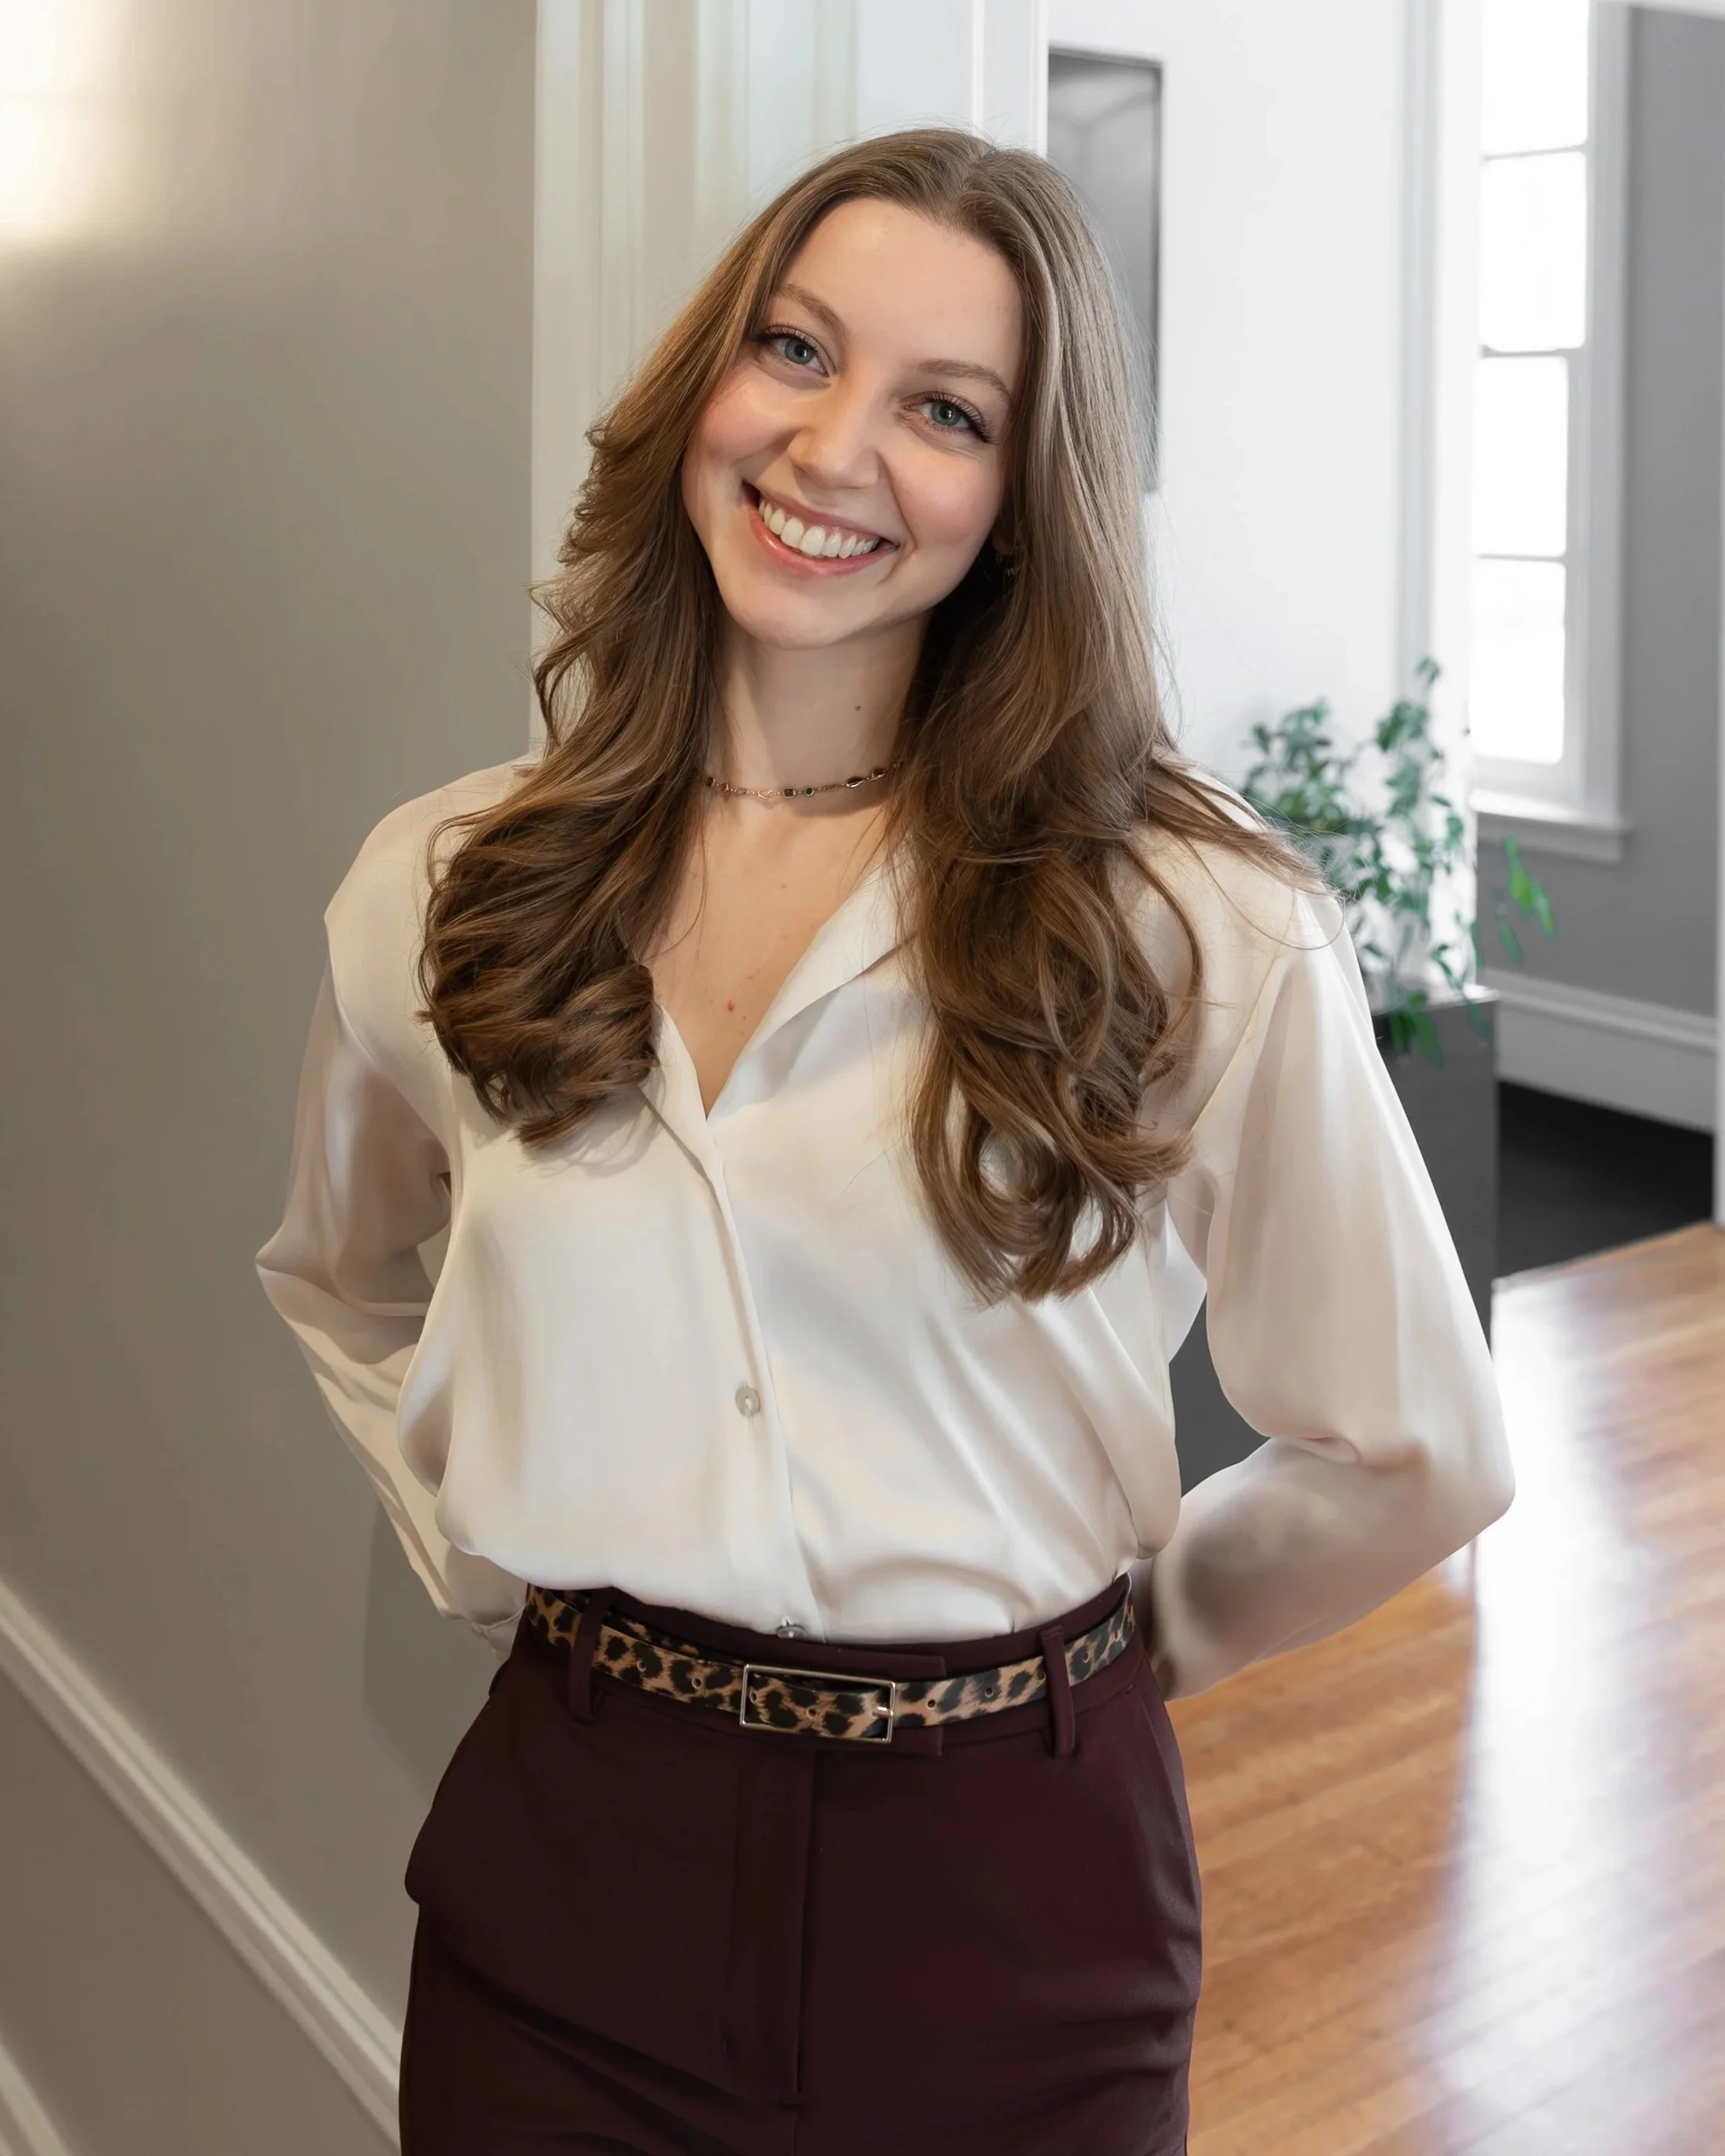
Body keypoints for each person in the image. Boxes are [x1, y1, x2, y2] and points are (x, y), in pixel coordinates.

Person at [255, 127, 1514, 2156]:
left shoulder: (1198, 925)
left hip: (1021, 1903)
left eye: (945, 409)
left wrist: (1095, 1655)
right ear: (705, 386)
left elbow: (1419, 1438)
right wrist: (486, 1548)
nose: (835, 446)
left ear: (1021, 504)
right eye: (794, 348)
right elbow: (336, 1271)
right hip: (569, 1879)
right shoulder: (443, 884)